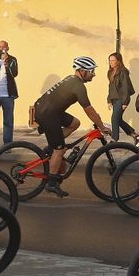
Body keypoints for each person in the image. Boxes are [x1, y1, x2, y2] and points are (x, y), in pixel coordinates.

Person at [33, 57, 106, 196]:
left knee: (75, 123)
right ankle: (52, 183)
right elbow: (89, 110)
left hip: (49, 110)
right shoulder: (78, 86)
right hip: (47, 114)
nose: (94, 74)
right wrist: (102, 126)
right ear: (82, 71)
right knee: (59, 150)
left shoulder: (72, 80)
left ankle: (51, 147)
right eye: (92, 71)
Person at [0, 41, 20, 145]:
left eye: (4, 47)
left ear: (8, 48)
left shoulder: (12, 59)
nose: (2, 49)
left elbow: (14, 73)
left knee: (8, 122)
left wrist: (7, 65)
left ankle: (7, 145)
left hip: (8, 95)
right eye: (0, 47)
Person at [106, 53, 136, 142]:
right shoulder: (110, 72)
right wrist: (109, 100)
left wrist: (125, 102)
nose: (111, 62)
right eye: (110, 60)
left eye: (113, 60)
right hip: (114, 99)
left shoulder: (123, 72)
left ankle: (114, 139)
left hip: (122, 99)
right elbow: (110, 87)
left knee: (114, 119)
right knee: (118, 119)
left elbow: (125, 88)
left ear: (118, 61)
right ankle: (134, 135)